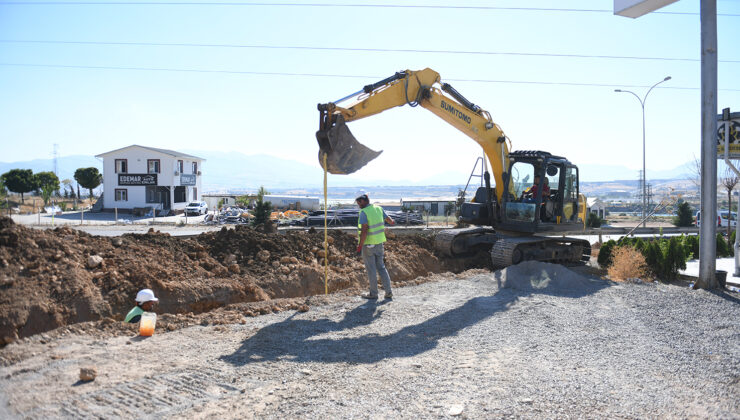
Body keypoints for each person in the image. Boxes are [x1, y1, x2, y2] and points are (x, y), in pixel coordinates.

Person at [355, 192, 396, 300]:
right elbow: (389, 220)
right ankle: (388, 292)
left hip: (368, 245)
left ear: (363, 201)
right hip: (379, 243)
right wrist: (391, 222)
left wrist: (360, 246)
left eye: (358, 202)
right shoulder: (378, 208)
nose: (358, 205)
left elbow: (364, 230)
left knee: (371, 269)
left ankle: (373, 294)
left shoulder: (364, 212)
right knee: (381, 268)